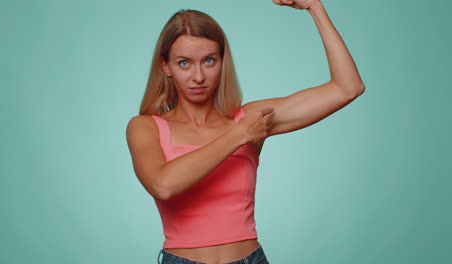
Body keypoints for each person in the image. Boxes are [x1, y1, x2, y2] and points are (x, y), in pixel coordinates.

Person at [126, 0, 365, 263]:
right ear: (165, 66)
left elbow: (348, 87)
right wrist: (239, 135)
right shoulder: (145, 126)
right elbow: (163, 185)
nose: (198, 76)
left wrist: (315, 8)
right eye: (184, 63)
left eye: (209, 60)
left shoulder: (250, 118)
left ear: (222, 61)